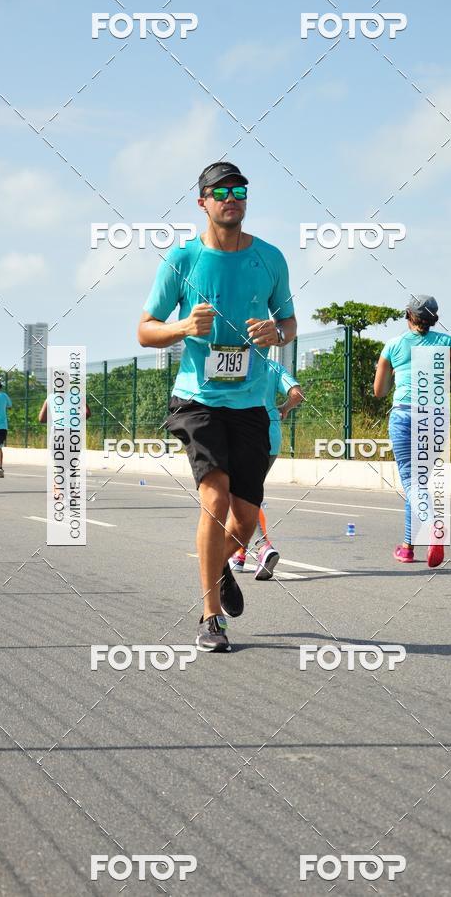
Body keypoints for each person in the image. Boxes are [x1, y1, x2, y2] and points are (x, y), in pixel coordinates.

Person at [137, 161, 297, 652]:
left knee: (246, 521)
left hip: (250, 405)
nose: (232, 197)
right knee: (216, 498)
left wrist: (278, 333)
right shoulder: (181, 260)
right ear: (202, 201)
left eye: (240, 190)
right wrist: (183, 328)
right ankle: (211, 617)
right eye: (221, 191)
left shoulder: (269, 258)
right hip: (198, 399)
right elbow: (145, 329)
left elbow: (289, 322)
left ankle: (224, 565)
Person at [373, 295, 451, 567]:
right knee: (419, 485)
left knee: (412, 483)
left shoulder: (393, 346)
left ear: (408, 315)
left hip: (405, 415)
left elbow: (379, 391)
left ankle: (433, 527)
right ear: (434, 320)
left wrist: (396, 372)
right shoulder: (447, 342)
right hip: (435, 418)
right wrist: (447, 376)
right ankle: (407, 547)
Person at [230, 360, 304, 579]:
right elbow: (297, 394)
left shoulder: (235, 361)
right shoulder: (273, 367)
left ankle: (263, 547)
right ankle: (239, 555)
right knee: (247, 493)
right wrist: (284, 408)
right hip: (271, 436)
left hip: (244, 434)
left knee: (240, 496)